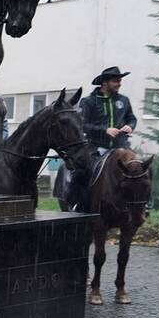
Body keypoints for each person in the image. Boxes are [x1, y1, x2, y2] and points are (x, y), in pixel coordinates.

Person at [67, 66, 137, 210]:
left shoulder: (124, 100)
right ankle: (76, 203)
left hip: (121, 147)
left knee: (140, 168)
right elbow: (82, 125)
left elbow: (131, 118)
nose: (119, 83)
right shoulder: (89, 101)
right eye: (116, 80)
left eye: (120, 80)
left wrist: (130, 126)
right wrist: (104, 130)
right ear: (105, 82)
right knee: (82, 171)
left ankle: (141, 205)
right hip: (96, 147)